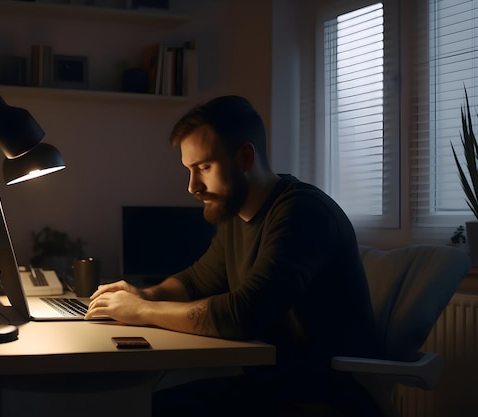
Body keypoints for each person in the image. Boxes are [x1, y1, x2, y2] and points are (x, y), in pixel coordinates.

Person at [85, 95, 382, 416]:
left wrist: (142, 310)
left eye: (204, 168)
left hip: (321, 398)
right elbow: (197, 280)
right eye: (189, 170)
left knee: (139, 407)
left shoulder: (302, 212)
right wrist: (142, 294)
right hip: (272, 384)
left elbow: (244, 314)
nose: (192, 186)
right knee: (136, 403)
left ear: (244, 157)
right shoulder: (237, 215)